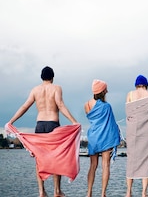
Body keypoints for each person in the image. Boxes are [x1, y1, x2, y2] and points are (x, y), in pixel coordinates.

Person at [8, 66, 78, 197]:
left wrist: (11, 121)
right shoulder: (56, 88)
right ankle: (57, 191)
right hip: (53, 125)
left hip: (39, 125)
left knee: (39, 159)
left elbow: (25, 106)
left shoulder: (35, 90)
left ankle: (41, 191)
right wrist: (74, 121)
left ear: (42, 77)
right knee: (56, 158)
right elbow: (60, 105)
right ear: (52, 77)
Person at [84, 79, 121, 197]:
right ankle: (103, 194)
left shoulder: (87, 105)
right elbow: (111, 124)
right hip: (106, 138)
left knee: (92, 166)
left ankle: (89, 193)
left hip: (94, 137)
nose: (107, 91)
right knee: (106, 166)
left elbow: (92, 120)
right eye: (106, 89)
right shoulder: (107, 106)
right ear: (102, 91)